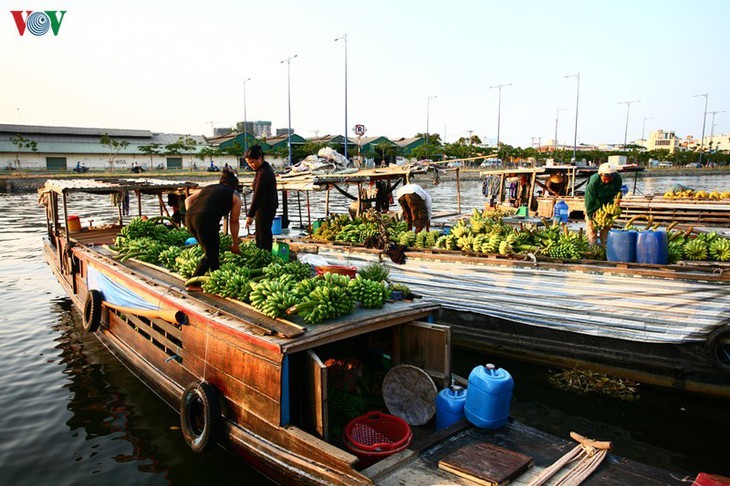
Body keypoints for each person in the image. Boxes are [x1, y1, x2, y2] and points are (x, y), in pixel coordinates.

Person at [184, 169, 242, 288]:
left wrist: (192, 214)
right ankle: (193, 283)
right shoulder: (235, 195)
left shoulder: (208, 188)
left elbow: (188, 199)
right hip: (205, 220)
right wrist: (235, 244)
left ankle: (216, 275)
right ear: (234, 186)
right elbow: (234, 221)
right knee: (210, 254)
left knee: (212, 251)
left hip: (189, 218)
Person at [244, 145, 278, 251]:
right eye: (249, 163)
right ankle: (265, 255)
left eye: (252, 162)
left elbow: (257, 195)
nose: (251, 165)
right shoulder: (263, 169)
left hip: (265, 207)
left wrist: (250, 215)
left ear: (259, 158)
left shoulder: (263, 172)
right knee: (264, 233)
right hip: (267, 206)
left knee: (262, 235)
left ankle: (264, 256)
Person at [585, 162, 623, 246]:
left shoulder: (617, 179)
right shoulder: (594, 181)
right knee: (591, 229)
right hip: (594, 204)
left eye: (609, 179)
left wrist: (618, 198)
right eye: (605, 179)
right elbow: (589, 199)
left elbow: (618, 191)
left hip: (607, 205)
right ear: (600, 175)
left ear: (613, 176)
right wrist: (590, 216)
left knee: (606, 228)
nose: (606, 181)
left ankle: (605, 247)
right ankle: (592, 247)